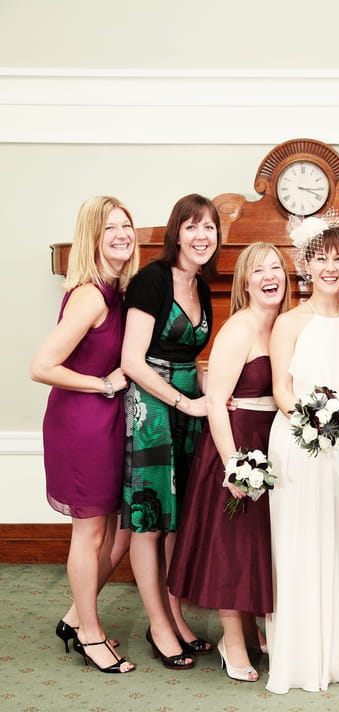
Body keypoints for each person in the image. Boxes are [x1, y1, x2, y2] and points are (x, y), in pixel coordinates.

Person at [265, 217, 339, 694]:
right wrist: (318, 420)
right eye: (321, 258)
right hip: (299, 443)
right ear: (306, 265)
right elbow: (280, 390)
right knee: (300, 541)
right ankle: (299, 652)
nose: (331, 267)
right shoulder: (289, 322)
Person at [168, 243, 290, 681]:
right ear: (245, 282)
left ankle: (254, 627)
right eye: (258, 270)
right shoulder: (239, 328)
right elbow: (216, 402)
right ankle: (231, 641)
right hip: (235, 444)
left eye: (275, 267)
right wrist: (232, 465)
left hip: (272, 440)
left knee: (261, 542)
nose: (268, 276)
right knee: (233, 546)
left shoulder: (285, 325)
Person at [31, 196, 138, 674]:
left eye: (126, 225)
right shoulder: (91, 294)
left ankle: (77, 617)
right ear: (91, 238)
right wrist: (103, 382)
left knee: (117, 532)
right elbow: (41, 366)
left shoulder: (118, 290)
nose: (121, 234)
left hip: (106, 422)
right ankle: (90, 635)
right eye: (109, 228)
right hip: (80, 425)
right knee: (91, 532)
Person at [120, 194, 220, 669]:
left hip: (188, 408)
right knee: (151, 518)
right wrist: (185, 401)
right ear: (176, 232)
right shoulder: (151, 279)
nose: (202, 236)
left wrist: (217, 392)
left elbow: (191, 360)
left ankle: (176, 616)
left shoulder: (203, 285)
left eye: (210, 228)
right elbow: (132, 361)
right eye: (193, 226)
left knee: (178, 521)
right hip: (151, 410)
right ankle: (158, 624)